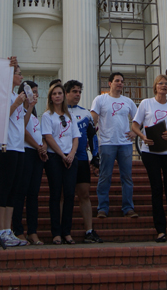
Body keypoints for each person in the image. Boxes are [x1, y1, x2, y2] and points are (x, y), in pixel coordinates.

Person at [132, 74, 167, 242]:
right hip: (151, 152)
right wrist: (142, 136)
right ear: (155, 86)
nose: (163, 86)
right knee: (156, 189)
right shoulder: (146, 103)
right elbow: (135, 125)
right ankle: (160, 230)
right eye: (160, 83)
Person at [0, 76, 34, 247]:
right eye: (18, 72)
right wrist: (16, 104)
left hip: (18, 146)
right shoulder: (3, 94)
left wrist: (29, 107)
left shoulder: (16, 97)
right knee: (6, 186)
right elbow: (0, 118)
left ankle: (7, 230)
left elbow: (22, 123)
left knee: (14, 189)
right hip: (6, 145)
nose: (21, 77)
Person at [91, 72, 139, 219]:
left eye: (122, 81)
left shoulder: (128, 101)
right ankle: (102, 208)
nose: (120, 83)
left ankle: (128, 208)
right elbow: (93, 120)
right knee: (105, 176)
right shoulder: (100, 99)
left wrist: (135, 132)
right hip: (107, 143)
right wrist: (91, 138)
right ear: (110, 83)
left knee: (127, 177)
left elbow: (138, 119)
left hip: (125, 143)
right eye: (117, 81)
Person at [41, 82, 81, 244]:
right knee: (56, 194)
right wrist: (61, 155)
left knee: (70, 194)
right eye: (54, 94)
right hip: (55, 158)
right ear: (50, 97)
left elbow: (76, 137)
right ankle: (56, 232)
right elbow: (48, 137)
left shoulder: (69, 115)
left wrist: (71, 154)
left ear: (64, 96)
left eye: (59, 93)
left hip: (70, 158)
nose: (57, 96)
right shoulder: (47, 116)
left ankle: (66, 232)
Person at [65, 80, 103, 244]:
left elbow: (92, 137)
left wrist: (95, 157)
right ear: (66, 93)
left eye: (79, 92)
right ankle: (61, 231)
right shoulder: (58, 112)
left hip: (81, 158)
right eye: (74, 91)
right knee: (64, 195)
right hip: (63, 159)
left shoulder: (86, 113)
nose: (78, 94)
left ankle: (89, 231)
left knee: (85, 195)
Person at [11, 84, 47, 245]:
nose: (35, 95)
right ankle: (18, 230)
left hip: (37, 156)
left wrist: (43, 146)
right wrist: (38, 147)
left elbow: (40, 135)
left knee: (33, 194)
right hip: (25, 152)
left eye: (37, 93)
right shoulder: (21, 112)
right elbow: (23, 131)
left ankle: (32, 231)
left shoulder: (34, 116)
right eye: (32, 92)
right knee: (21, 192)